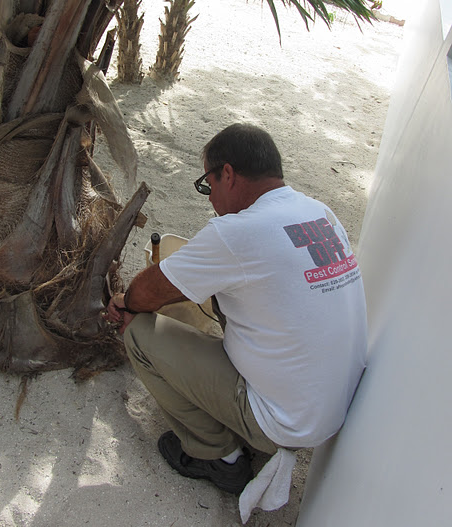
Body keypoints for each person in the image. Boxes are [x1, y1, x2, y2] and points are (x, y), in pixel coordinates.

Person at [105, 123, 367, 499]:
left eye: (206, 185)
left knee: (139, 331)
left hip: (286, 422)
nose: (209, 198)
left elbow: (146, 292)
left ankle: (219, 456)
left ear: (227, 174)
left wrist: (125, 303)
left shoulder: (237, 232)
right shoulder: (319, 212)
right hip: (335, 410)